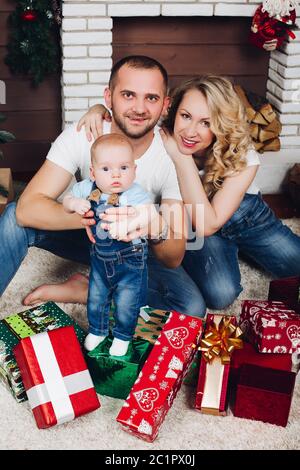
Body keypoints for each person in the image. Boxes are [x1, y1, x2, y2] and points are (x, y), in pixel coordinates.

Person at [0, 55, 206, 317]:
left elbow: (174, 255)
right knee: (12, 220)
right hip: (87, 233)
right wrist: (98, 216)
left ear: (165, 105)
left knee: (190, 307)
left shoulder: (173, 155)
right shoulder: (84, 133)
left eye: (151, 98)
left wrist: (154, 225)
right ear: (108, 98)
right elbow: (27, 210)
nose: (139, 108)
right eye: (128, 95)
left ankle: (88, 290)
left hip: (136, 247)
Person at [79, 75, 300, 310]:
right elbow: (205, 227)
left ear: (221, 125)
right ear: (173, 112)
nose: (191, 132)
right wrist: (99, 108)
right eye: (186, 116)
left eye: (206, 122)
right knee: (221, 295)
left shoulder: (241, 153)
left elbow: (212, 220)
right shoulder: (161, 132)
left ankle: (246, 249)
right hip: (199, 225)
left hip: (246, 218)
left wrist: (180, 156)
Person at [63, 133, 151, 355]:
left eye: (123, 168)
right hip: (100, 258)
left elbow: (148, 213)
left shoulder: (135, 193)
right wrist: (75, 203)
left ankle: (122, 336)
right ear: (92, 172)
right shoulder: (86, 189)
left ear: (134, 170)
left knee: (126, 302)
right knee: (96, 297)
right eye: (106, 169)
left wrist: (133, 221)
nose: (116, 175)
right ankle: (98, 330)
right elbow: (65, 202)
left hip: (130, 257)